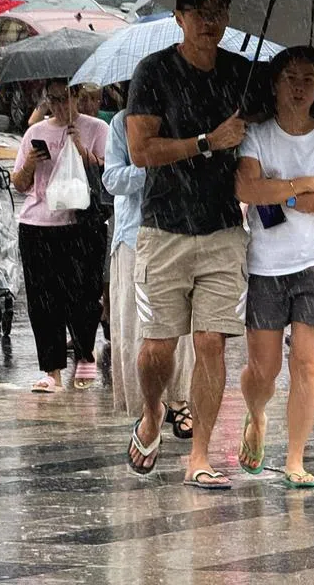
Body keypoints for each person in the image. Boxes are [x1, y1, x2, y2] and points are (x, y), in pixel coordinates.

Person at [123, 0, 314, 487]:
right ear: (179, 17)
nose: (211, 22)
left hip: (225, 232)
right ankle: (154, 412)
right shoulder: (153, 72)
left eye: (219, 11)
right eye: (200, 12)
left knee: (210, 342)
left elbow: (293, 107)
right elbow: (142, 152)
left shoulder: (240, 75)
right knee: (159, 347)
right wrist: (207, 141)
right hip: (165, 228)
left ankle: (199, 455)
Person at [235, 45, 314, 489]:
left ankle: (295, 458)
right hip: (266, 265)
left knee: (306, 362)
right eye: (291, 78)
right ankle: (257, 413)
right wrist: (306, 184)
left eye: (309, 78)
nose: (300, 87)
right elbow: (246, 185)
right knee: (263, 371)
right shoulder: (258, 135)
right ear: (274, 84)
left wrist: (281, 193)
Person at [11, 78, 109, 394]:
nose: (59, 107)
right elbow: (20, 184)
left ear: (78, 97)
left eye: (65, 99)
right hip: (38, 225)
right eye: (52, 100)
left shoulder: (96, 129)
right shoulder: (35, 133)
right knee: (43, 301)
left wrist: (81, 149)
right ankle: (51, 370)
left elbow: (108, 176)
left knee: (83, 298)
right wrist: (29, 163)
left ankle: (85, 355)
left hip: (81, 225)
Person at [104, 106, 195, 437]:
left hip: (181, 232)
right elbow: (112, 179)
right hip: (134, 236)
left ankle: (179, 400)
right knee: (137, 324)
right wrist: (154, 164)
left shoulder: (187, 120)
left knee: (179, 324)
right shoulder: (119, 123)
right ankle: (148, 405)